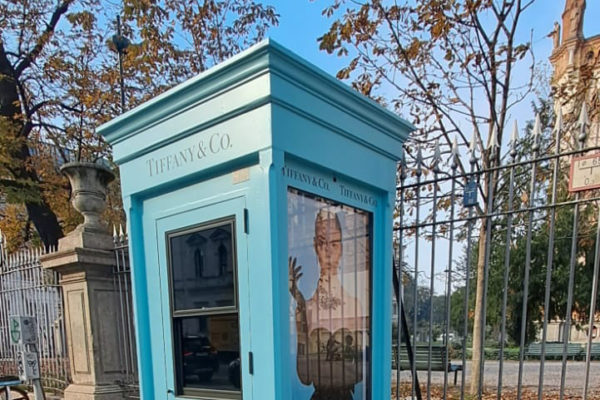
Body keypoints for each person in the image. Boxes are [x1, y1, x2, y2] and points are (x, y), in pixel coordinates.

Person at [289, 208, 368, 400]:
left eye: (334, 243)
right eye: (322, 243)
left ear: (341, 247)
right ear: (315, 247)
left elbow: (360, 371)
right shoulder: (306, 308)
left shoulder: (354, 305)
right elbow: (304, 376)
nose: (328, 252)